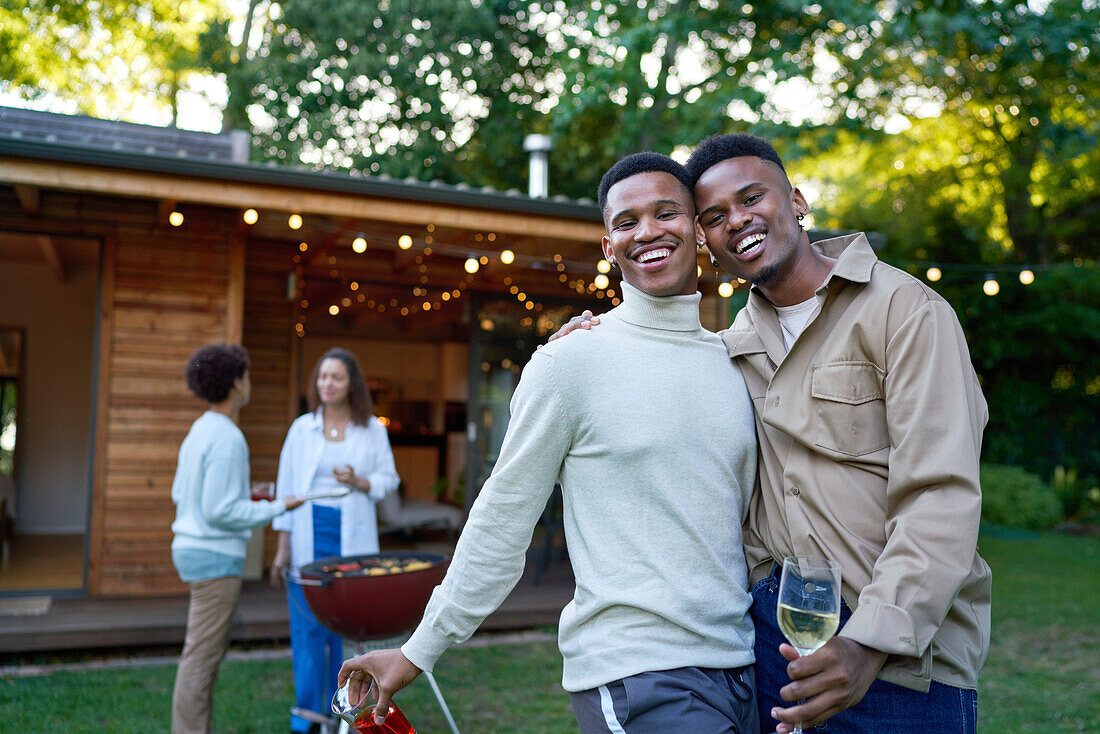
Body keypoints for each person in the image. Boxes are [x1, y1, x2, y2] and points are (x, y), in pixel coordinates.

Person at [556, 134, 992, 733]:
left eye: (751, 197)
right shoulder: (732, 346)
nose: (737, 220)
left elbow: (940, 496)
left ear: (796, 200)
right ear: (706, 241)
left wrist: (868, 643)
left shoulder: (905, 311)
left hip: (897, 660)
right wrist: (596, 334)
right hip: (774, 652)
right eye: (714, 216)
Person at [337, 152, 760, 734]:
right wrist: (419, 649)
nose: (648, 233)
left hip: (744, 667)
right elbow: (503, 517)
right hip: (638, 675)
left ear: (699, 229)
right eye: (626, 222)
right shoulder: (571, 361)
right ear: (608, 246)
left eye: (667, 213)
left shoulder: (739, 364)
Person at [170, 343, 304, 734]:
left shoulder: (200, 430)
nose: (250, 382)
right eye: (246, 375)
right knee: (201, 660)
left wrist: (247, 498)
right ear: (235, 382)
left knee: (201, 655)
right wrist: (278, 506)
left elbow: (183, 495)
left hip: (195, 551)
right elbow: (220, 511)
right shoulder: (228, 437)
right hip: (214, 557)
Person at [271, 347, 401, 734]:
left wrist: (359, 481)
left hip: (352, 538)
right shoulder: (301, 428)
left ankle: (346, 714)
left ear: (351, 385)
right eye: (322, 377)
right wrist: (282, 546)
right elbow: (285, 488)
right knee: (308, 631)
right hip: (308, 534)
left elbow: (388, 480)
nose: (327, 384)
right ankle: (308, 718)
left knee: (345, 633)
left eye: (336, 377)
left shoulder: (372, 429)